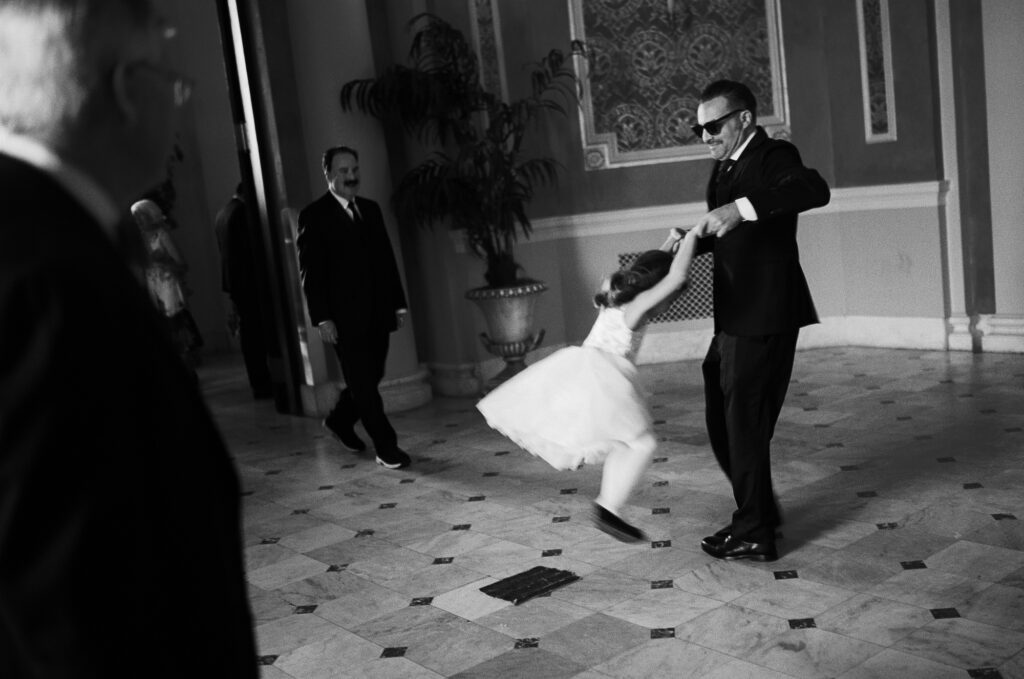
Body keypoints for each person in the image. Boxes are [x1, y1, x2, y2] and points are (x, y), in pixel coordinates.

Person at [0, 1, 257, 677]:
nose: (178, 111)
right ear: (125, 89)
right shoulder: (49, 277)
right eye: (175, 85)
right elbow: (68, 593)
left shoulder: (49, 231)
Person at [477, 226, 703, 543]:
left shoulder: (615, 288)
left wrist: (671, 242)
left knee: (627, 443)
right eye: (669, 299)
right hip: (606, 377)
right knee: (642, 444)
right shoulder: (636, 309)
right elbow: (674, 278)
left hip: (590, 368)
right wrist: (692, 238)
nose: (668, 303)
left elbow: (650, 269)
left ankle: (609, 508)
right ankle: (607, 507)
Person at [689, 79, 830, 562]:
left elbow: (813, 189)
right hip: (732, 315)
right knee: (724, 418)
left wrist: (741, 208)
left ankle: (754, 531)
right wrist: (691, 237)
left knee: (744, 422)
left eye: (713, 125)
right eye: (699, 128)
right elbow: (728, 231)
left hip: (767, 312)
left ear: (744, 118)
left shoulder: (774, 156)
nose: (705, 136)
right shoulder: (723, 168)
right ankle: (759, 511)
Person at [296, 145, 411, 469]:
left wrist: (398, 305)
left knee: (373, 375)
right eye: (344, 171)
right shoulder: (314, 216)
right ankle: (386, 447)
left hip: (378, 312)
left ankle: (339, 420)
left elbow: (387, 260)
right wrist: (322, 318)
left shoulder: (371, 210)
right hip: (343, 320)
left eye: (355, 170)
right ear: (329, 175)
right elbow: (311, 274)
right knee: (363, 383)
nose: (351, 176)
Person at [131, 197, 204, 376]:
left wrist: (163, 262)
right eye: (136, 217)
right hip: (150, 288)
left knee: (176, 328)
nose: (139, 221)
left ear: (150, 216)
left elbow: (182, 265)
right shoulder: (137, 240)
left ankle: (187, 369)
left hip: (168, 287)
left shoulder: (162, 235)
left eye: (142, 216)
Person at [214, 182, 273, 399]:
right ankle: (262, 381)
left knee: (250, 334)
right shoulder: (241, 213)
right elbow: (249, 250)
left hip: (235, 283)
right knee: (254, 335)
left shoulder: (224, 212)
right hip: (248, 282)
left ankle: (259, 380)